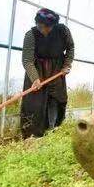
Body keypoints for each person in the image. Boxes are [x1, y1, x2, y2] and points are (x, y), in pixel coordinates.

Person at [20, 8, 74, 138]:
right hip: (37, 69)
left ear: (53, 25)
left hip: (56, 70)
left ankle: (53, 129)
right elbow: (27, 60)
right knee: (35, 102)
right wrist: (35, 78)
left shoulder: (63, 31)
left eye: (47, 27)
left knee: (55, 99)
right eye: (40, 27)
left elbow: (70, 47)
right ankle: (33, 134)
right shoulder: (30, 35)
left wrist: (66, 65)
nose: (43, 30)